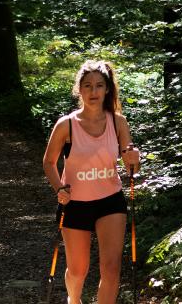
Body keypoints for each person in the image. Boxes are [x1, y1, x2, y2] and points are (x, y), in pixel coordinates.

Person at [42, 60, 140, 304]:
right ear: (79, 90)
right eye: (87, 86)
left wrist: (133, 159)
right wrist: (59, 189)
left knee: (111, 268)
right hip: (75, 203)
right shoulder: (67, 125)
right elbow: (49, 162)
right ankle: (73, 300)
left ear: (107, 89)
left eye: (99, 86)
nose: (93, 91)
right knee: (77, 270)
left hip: (110, 202)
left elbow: (131, 165)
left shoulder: (118, 122)